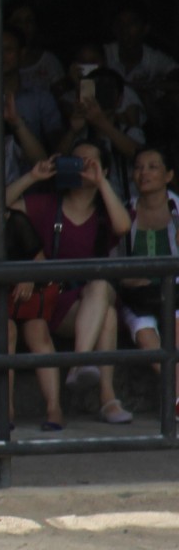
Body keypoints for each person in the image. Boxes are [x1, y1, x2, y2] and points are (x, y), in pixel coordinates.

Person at [6, 144, 132, 429]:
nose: (82, 165)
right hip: (54, 297)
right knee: (108, 316)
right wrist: (33, 177)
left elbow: (124, 226)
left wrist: (101, 182)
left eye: (90, 161)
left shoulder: (103, 211)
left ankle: (80, 364)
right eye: (76, 161)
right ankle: (107, 397)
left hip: (90, 296)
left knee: (100, 286)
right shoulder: (48, 203)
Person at [116, 148, 178, 420]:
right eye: (139, 167)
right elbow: (109, 259)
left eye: (153, 167)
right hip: (136, 297)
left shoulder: (178, 208)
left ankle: (176, 397)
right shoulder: (124, 210)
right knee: (145, 334)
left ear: (169, 175)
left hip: (176, 293)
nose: (144, 173)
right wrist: (125, 278)